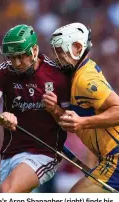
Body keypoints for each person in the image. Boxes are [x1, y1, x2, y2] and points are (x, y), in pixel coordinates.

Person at [0, 24, 71, 193]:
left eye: (21, 56)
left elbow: (70, 122)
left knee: (7, 191)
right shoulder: (1, 73)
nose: (16, 63)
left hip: (43, 153)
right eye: (11, 57)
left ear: (35, 50)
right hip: (10, 153)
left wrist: (54, 109)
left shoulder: (57, 76)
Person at [42, 22, 119, 192]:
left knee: (76, 195)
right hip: (107, 157)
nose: (56, 57)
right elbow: (73, 122)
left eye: (60, 51)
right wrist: (54, 109)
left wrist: (83, 122)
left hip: (116, 157)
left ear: (77, 48)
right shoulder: (76, 76)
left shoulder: (86, 79)